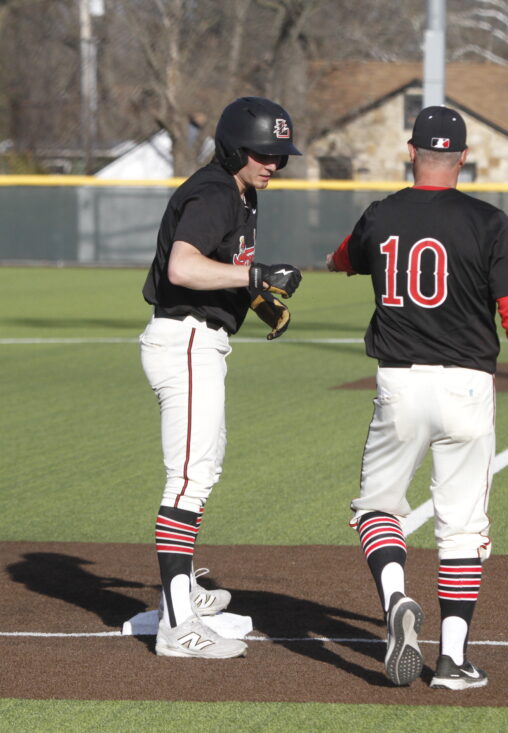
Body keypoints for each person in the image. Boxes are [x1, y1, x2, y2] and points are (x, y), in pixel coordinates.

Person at [326, 106, 508, 690]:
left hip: (398, 383)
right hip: (466, 386)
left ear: (411, 152)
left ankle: (397, 597)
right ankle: (452, 662)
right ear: (462, 157)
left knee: (377, 508)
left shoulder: (381, 214)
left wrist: (350, 257)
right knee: (460, 529)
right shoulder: (489, 221)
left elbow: (342, 259)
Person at [140, 96, 303, 658]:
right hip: (184, 340)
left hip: (199, 340)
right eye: (264, 152)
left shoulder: (239, 190)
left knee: (201, 471)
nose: (274, 164)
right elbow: (181, 266)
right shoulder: (214, 190)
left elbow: (213, 271)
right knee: (187, 479)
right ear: (236, 146)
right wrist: (255, 273)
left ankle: (181, 594)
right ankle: (176, 624)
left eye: (281, 155)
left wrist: (255, 299)